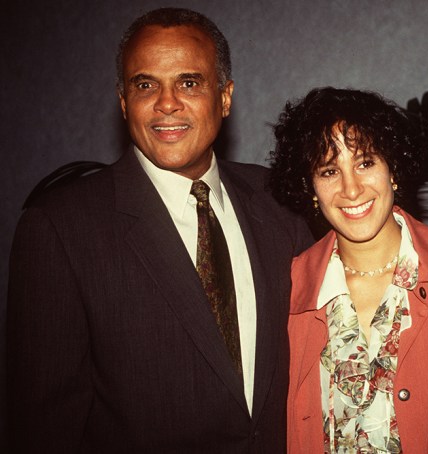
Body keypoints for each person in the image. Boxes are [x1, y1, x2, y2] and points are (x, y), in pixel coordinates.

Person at [7, 7, 311, 453]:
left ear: (225, 98)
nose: (166, 103)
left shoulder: (282, 202)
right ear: (124, 100)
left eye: (189, 83)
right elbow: (43, 427)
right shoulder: (59, 228)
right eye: (145, 84)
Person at [269, 87, 428, 453]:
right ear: (310, 187)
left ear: (392, 168)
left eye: (365, 163)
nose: (351, 188)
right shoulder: (289, 288)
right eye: (330, 170)